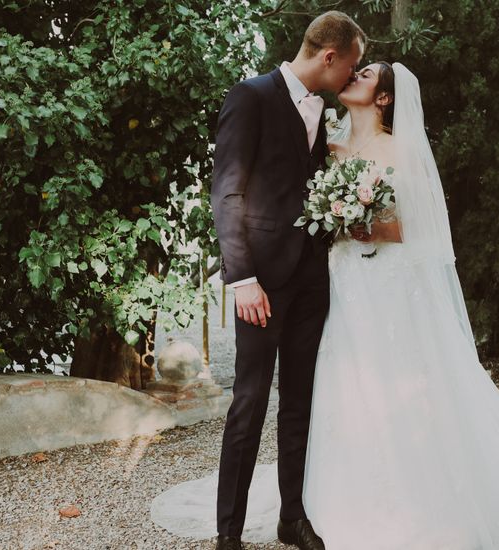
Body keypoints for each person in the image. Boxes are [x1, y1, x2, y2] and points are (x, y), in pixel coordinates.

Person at [152, 60, 499, 549]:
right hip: (336, 285)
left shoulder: (399, 148)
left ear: (383, 97)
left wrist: (353, 219)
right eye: (355, 66)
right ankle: (314, 507)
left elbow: (409, 225)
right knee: (339, 389)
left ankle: (396, 502)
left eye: (366, 73)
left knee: (393, 387)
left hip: (379, 283)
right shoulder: (326, 137)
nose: (354, 73)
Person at [201, 10, 365, 550]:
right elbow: (227, 192)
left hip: (311, 280)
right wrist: (241, 278)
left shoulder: (324, 112)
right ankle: (229, 531)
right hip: (261, 284)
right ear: (329, 57)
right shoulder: (249, 97)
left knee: (300, 400)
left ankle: (291, 516)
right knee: (249, 401)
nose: (350, 81)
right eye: (352, 68)